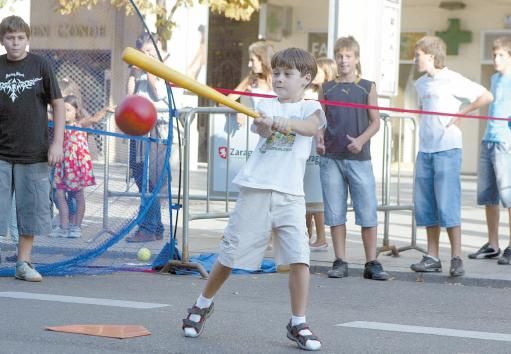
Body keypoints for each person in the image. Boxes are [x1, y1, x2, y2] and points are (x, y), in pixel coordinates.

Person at [181, 48, 325, 351]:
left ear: (306, 79)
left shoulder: (311, 107)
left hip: (290, 195)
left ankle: (298, 322)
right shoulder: (263, 103)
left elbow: (311, 128)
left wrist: (287, 123)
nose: (280, 79)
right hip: (255, 189)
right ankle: (201, 305)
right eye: (277, 73)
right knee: (230, 256)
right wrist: (268, 122)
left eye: (288, 74)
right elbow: (260, 126)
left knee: (300, 258)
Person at [409, 35, 493, 277]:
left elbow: (486, 96)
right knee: (426, 205)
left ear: (431, 56)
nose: (415, 59)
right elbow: (420, 111)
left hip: (447, 149)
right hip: (425, 150)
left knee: (448, 204)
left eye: (418, 55)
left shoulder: (452, 79)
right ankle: (432, 256)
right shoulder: (421, 84)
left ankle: (456, 257)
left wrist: (462, 113)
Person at [317, 36, 390, 281]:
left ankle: (372, 261)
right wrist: (318, 138)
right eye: (339, 56)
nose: (343, 60)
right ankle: (340, 260)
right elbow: (320, 120)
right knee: (335, 211)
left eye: (348, 56)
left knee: (367, 211)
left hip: (359, 158)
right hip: (331, 158)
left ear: (356, 59)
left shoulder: (366, 86)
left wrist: (360, 140)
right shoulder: (326, 88)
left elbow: (376, 121)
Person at [0, 15, 65, 281]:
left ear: (27, 39)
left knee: (31, 209)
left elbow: (58, 104)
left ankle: (23, 263)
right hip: (1, 153)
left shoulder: (40, 65)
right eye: (9, 38)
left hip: (34, 152)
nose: (15, 43)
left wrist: (57, 142)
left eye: (20, 38)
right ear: (2, 40)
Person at [468, 36, 511, 264]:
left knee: (509, 196)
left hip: (506, 143)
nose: (495, 59)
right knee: (488, 196)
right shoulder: (494, 79)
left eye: (501, 55)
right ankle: (493, 244)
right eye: (494, 54)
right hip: (488, 139)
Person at [126, 31, 168, 242]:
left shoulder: (165, 65)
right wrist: (134, 72)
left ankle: (149, 227)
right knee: (139, 176)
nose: (146, 56)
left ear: (159, 46)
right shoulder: (138, 69)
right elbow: (130, 96)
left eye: (150, 51)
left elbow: (159, 93)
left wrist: (150, 68)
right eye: (142, 53)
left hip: (157, 130)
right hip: (138, 128)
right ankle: (155, 226)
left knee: (151, 181)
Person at [50, 95, 112, 238]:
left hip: (76, 166)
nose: (65, 113)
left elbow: (94, 119)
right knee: (59, 194)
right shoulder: (59, 125)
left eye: (68, 110)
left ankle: (76, 227)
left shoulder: (79, 124)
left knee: (78, 196)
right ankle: (63, 226)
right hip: (62, 165)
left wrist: (105, 110)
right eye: (62, 110)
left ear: (76, 111)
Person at [304, 57, 337, 251]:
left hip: (320, 146)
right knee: (308, 193)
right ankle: (307, 234)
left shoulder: (325, 94)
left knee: (317, 196)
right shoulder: (309, 91)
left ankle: (321, 237)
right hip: (308, 144)